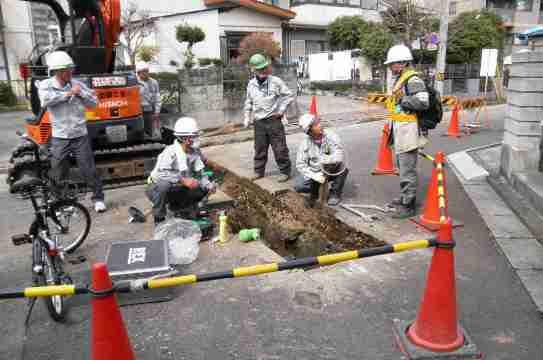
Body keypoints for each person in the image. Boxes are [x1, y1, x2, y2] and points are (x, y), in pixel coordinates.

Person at [38, 50, 106, 213]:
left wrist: (81, 92)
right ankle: (60, 202)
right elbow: (45, 101)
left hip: (79, 134)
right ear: (57, 71)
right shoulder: (46, 85)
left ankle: (98, 199)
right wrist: (68, 94)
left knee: (88, 168)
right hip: (60, 136)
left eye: (70, 69)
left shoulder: (78, 84)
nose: (70, 72)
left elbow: (94, 103)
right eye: (66, 70)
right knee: (58, 170)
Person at [384, 44, 429, 218]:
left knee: (407, 169)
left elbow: (423, 102)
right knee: (402, 167)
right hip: (400, 131)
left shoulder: (413, 80)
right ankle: (405, 197)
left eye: (392, 63)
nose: (390, 67)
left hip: (408, 132)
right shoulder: (401, 78)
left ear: (402, 62)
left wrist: (402, 99)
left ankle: (408, 205)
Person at [145, 117, 217, 225]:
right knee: (164, 185)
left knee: (201, 189)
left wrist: (208, 185)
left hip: (177, 188)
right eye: (194, 136)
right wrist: (183, 180)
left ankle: (182, 210)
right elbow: (161, 174)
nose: (197, 138)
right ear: (185, 138)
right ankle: (159, 218)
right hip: (156, 188)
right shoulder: (170, 152)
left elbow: (200, 174)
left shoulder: (195, 152)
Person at [244, 53, 294, 183]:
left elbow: (288, 95)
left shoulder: (275, 82)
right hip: (259, 122)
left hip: (273, 121)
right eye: (259, 69)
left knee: (279, 148)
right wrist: (247, 116)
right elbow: (248, 101)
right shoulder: (251, 84)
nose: (263, 71)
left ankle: (285, 172)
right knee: (259, 148)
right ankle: (259, 171)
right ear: (253, 70)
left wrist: (281, 110)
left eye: (264, 68)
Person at [295, 113, 349, 208]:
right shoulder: (305, 144)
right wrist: (313, 175)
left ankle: (334, 194)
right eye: (316, 125)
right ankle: (317, 188)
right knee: (299, 187)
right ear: (309, 131)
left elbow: (339, 155)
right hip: (316, 172)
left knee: (343, 168)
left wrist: (325, 161)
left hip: (331, 168)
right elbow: (300, 165)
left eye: (318, 122)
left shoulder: (331, 136)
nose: (320, 125)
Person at [136, 61, 161, 138]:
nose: (146, 73)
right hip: (138, 112)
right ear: (138, 73)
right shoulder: (134, 82)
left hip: (149, 111)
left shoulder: (154, 82)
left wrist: (157, 112)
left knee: (150, 132)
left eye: (147, 71)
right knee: (139, 132)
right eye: (144, 72)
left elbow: (157, 98)